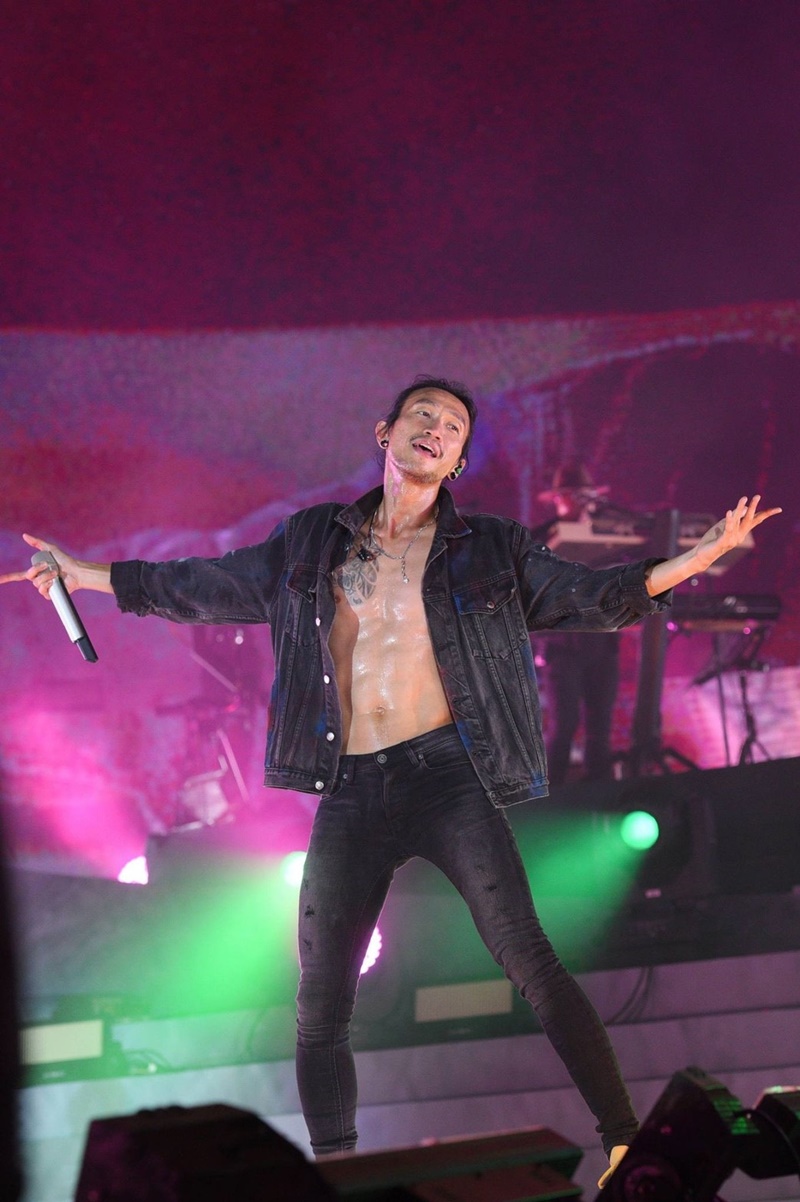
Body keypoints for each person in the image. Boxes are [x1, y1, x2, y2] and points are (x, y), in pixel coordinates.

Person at [0, 375, 781, 1189]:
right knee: (320, 1002)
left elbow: (591, 597)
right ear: (387, 431)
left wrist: (697, 558)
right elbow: (201, 584)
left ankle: (626, 1143)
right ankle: (334, 1177)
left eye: (453, 426)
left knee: (530, 960)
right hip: (350, 785)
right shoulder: (311, 541)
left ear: (459, 459)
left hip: (448, 777)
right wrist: (82, 573)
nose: (436, 428)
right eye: (423, 415)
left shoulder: (491, 548)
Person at [536, 462, 621, 785]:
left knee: (600, 726)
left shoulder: (607, 535)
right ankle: (553, 794)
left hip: (601, 643)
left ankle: (601, 792)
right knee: (565, 724)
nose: (580, 502)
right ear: (558, 499)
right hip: (563, 646)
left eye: (584, 496)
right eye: (573, 495)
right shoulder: (543, 537)